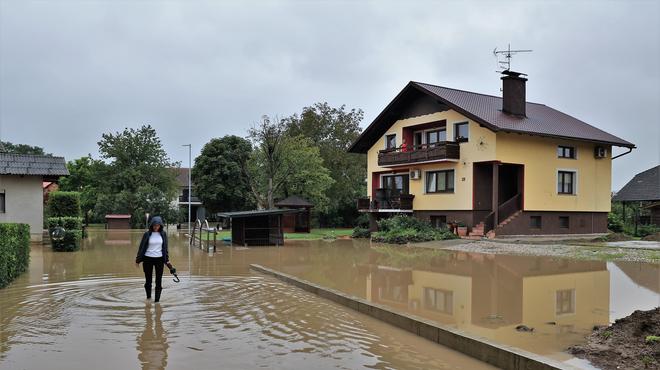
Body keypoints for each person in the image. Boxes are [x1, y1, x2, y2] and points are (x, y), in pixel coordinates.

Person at [135, 216, 169, 302]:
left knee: (158, 281)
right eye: (154, 225)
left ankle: (157, 301)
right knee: (148, 281)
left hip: (159, 260)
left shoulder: (163, 234)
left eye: (158, 225)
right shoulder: (147, 234)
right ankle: (148, 298)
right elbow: (141, 247)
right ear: (151, 225)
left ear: (160, 225)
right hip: (147, 259)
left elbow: (165, 248)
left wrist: (167, 260)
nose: (156, 227)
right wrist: (138, 260)